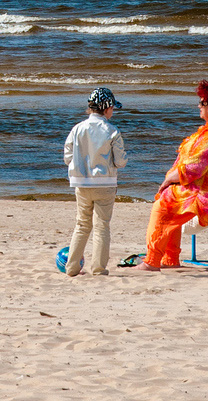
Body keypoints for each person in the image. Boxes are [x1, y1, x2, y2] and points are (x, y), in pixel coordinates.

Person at [136, 80, 208, 271]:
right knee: (173, 199)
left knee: (163, 205)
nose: (198, 106)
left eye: (202, 103)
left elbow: (192, 169)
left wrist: (168, 179)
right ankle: (170, 259)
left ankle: (152, 261)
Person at [63, 87, 128, 276]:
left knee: (82, 225)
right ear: (107, 108)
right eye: (112, 108)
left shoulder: (77, 129)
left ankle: (72, 267)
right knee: (102, 226)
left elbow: (67, 157)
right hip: (105, 184)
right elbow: (120, 161)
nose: (113, 112)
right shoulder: (112, 131)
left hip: (81, 183)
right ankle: (98, 269)